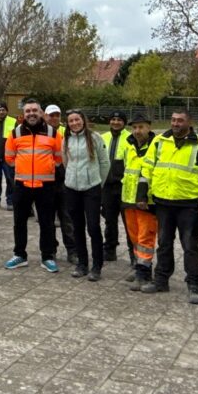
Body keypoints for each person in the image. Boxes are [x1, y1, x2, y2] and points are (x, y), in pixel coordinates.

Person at [137, 109, 198, 304]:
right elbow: (146, 168)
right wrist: (142, 194)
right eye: (173, 120)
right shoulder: (159, 142)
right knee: (164, 243)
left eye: (180, 121)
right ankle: (161, 280)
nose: (175, 124)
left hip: (188, 204)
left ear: (189, 122)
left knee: (189, 246)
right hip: (162, 202)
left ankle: (194, 285)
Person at [3, 99, 64, 272]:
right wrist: (23, 168)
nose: (31, 113)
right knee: (19, 222)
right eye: (28, 111)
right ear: (24, 114)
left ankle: (47, 256)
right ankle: (20, 254)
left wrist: (46, 168)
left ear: (41, 113)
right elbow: (9, 158)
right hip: (22, 185)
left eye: (35, 110)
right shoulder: (15, 133)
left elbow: (59, 158)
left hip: (46, 186)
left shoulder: (53, 133)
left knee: (47, 222)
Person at [63, 110, 110, 281]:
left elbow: (105, 162)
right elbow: (65, 161)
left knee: (93, 227)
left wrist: (98, 182)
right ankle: (82, 263)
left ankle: (97, 266)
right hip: (72, 188)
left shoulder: (95, 138)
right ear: (67, 123)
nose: (74, 123)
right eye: (71, 121)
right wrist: (70, 178)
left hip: (91, 188)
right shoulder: (66, 138)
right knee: (77, 227)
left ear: (83, 120)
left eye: (77, 119)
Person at [121, 113, 157, 290]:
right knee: (135, 237)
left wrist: (145, 197)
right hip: (129, 199)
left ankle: (144, 274)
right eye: (134, 127)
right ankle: (139, 268)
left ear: (149, 127)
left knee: (145, 237)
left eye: (141, 127)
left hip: (146, 201)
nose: (137, 131)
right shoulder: (129, 145)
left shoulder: (156, 146)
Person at [43, 103, 77, 264]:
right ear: (45, 116)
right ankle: (51, 250)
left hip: (64, 182)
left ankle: (72, 251)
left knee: (67, 218)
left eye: (57, 115)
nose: (55, 118)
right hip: (46, 182)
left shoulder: (67, 132)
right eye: (51, 115)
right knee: (48, 220)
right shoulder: (41, 132)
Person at [100, 111, 129, 263]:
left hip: (124, 187)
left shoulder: (130, 138)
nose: (116, 122)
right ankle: (110, 249)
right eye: (113, 119)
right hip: (107, 187)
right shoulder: (103, 137)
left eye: (119, 120)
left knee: (129, 222)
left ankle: (134, 253)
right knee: (109, 220)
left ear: (124, 122)